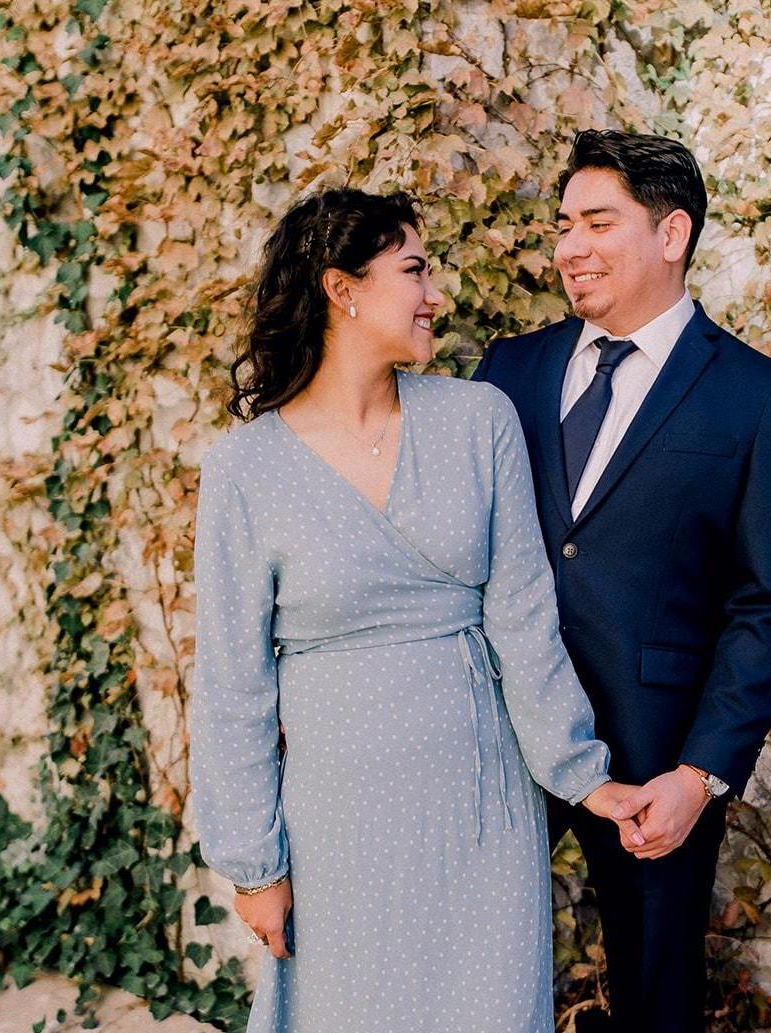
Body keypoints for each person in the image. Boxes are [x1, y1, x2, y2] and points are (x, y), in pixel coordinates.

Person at [189, 187, 644, 1033]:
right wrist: (254, 864)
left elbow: (523, 620)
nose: (436, 295)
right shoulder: (244, 470)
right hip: (337, 821)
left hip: (481, 809)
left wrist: (583, 773)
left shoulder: (478, 421)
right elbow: (230, 686)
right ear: (343, 289)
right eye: (414, 271)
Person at [471, 130, 771, 1032]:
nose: (569, 247)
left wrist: (700, 774)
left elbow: (766, 607)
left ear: (672, 233)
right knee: (462, 961)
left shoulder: (758, 397)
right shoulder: (507, 370)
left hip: (654, 754)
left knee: (655, 992)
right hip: (500, 726)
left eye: (597, 223)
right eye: (562, 225)